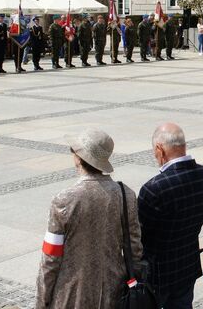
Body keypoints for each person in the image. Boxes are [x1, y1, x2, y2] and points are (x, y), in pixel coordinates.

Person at [36, 128, 142, 308]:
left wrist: (42, 301)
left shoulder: (64, 200)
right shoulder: (127, 196)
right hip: (113, 293)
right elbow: (135, 249)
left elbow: (51, 258)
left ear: (78, 157)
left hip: (71, 296)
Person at [138, 123, 203, 309]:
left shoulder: (154, 188)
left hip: (157, 274)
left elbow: (139, 236)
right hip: (186, 266)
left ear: (159, 149)